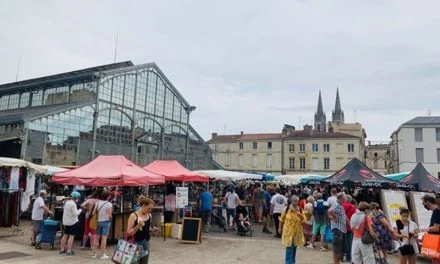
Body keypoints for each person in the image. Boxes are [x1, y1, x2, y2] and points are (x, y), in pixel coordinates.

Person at [126, 196, 158, 264]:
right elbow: (128, 233)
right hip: (135, 244)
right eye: (148, 208)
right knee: (135, 262)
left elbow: (147, 229)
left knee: (144, 262)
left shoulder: (149, 215)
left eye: (151, 209)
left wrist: (152, 230)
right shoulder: (134, 216)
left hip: (146, 243)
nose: (150, 210)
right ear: (143, 206)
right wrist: (138, 226)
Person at [279, 195, 305, 264]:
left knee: (295, 246)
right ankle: (288, 262)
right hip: (288, 231)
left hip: (297, 231)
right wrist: (279, 228)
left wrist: (300, 215)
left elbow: (304, 220)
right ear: (291, 201)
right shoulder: (287, 209)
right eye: (294, 201)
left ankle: (293, 261)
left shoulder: (300, 209)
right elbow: (281, 219)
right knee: (289, 245)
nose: (296, 203)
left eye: (297, 201)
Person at [60, 191, 82, 256]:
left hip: (66, 221)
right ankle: (69, 250)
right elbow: (75, 213)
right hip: (73, 222)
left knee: (65, 235)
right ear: (76, 198)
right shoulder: (73, 204)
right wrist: (80, 210)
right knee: (71, 236)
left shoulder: (66, 203)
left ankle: (62, 249)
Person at [93, 190, 113, 259]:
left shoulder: (98, 203)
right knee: (104, 238)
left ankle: (94, 254)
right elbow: (110, 215)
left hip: (98, 221)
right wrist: (110, 218)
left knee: (96, 238)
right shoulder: (109, 204)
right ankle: (103, 254)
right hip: (106, 221)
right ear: (108, 196)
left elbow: (93, 212)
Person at [328, 192, 347, 264]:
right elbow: (330, 211)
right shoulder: (337, 204)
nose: (345, 198)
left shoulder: (340, 205)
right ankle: (336, 262)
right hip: (338, 229)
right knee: (337, 248)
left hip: (341, 228)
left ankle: (336, 262)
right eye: (344, 197)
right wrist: (334, 217)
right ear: (341, 198)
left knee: (339, 248)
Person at [422, 195, 440, 264]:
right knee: (434, 259)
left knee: (436, 259)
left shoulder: (437, 211)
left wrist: (424, 229)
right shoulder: (436, 211)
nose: (423, 205)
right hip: (435, 239)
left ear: (428, 202)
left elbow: (436, 228)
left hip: (437, 240)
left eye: (424, 203)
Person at [342, 194, 356, 263]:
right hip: (350, 227)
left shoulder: (341, 206)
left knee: (342, 242)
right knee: (349, 242)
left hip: (342, 226)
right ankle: (348, 257)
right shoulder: (354, 207)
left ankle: (341, 257)